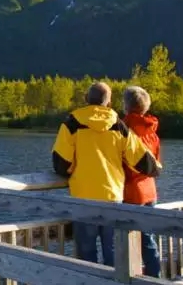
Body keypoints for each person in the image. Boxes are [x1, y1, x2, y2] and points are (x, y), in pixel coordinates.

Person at [51, 82, 162, 267]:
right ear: (109, 103)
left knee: (87, 254)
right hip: (113, 197)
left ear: (87, 100)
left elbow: (61, 164)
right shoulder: (119, 127)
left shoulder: (71, 124)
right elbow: (144, 162)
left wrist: (73, 171)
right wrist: (156, 168)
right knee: (113, 253)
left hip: (83, 197)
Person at [122, 86, 162, 278]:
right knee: (148, 236)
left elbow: (121, 162)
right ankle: (154, 275)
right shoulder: (152, 131)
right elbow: (155, 163)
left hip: (132, 191)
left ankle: (142, 278)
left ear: (126, 106)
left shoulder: (125, 129)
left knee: (130, 239)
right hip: (150, 190)